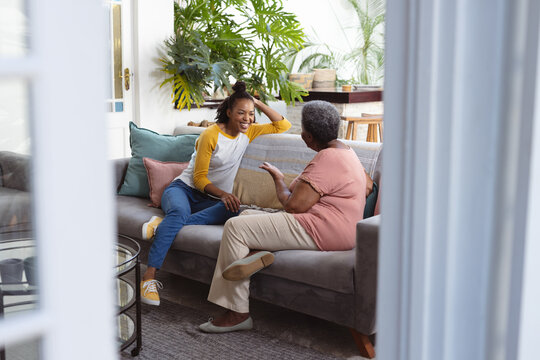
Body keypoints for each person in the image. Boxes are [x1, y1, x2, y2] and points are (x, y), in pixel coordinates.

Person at [199, 100, 368, 333]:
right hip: (339, 229)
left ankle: (237, 313)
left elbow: (294, 206)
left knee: (235, 227)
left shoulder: (327, 158)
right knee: (247, 214)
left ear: (308, 137)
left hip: (323, 229)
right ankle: (258, 252)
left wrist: (278, 178)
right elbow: (352, 188)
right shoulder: (346, 152)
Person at [140, 81, 291, 306]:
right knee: (181, 212)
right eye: (241, 112)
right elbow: (199, 179)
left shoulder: (248, 132)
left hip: (211, 200)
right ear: (229, 112)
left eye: (251, 114)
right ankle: (149, 277)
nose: (247, 118)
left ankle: (162, 225)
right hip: (183, 190)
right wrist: (223, 194)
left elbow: (283, 125)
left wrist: (254, 101)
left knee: (234, 213)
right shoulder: (211, 135)